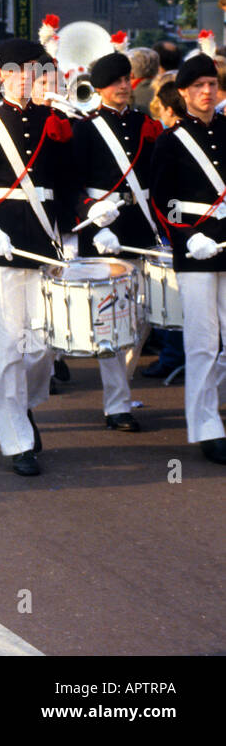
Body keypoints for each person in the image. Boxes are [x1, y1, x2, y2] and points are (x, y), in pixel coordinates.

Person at [0, 39, 73, 476]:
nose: (25, 77)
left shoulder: (53, 122)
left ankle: (24, 406)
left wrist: (75, 226)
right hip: (1, 244)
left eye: (32, 70)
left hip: (43, 241)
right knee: (6, 346)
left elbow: (66, 183)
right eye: (16, 70)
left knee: (41, 345)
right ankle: (16, 439)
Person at [65, 51, 162, 432]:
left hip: (142, 226)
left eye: (126, 79)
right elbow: (71, 186)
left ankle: (121, 388)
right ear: (101, 88)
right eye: (115, 82)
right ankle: (117, 404)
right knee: (111, 318)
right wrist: (92, 221)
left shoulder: (145, 124)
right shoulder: (84, 129)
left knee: (142, 322)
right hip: (103, 229)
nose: (123, 86)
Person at [150, 52, 226, 463]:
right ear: (183, 93)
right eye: (198, 86)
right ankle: (206, 426)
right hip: (197, 248)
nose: (207, 92)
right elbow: (161, 202)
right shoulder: (171, 140)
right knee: (202, 343)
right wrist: (187, 237)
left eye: (212, 85)